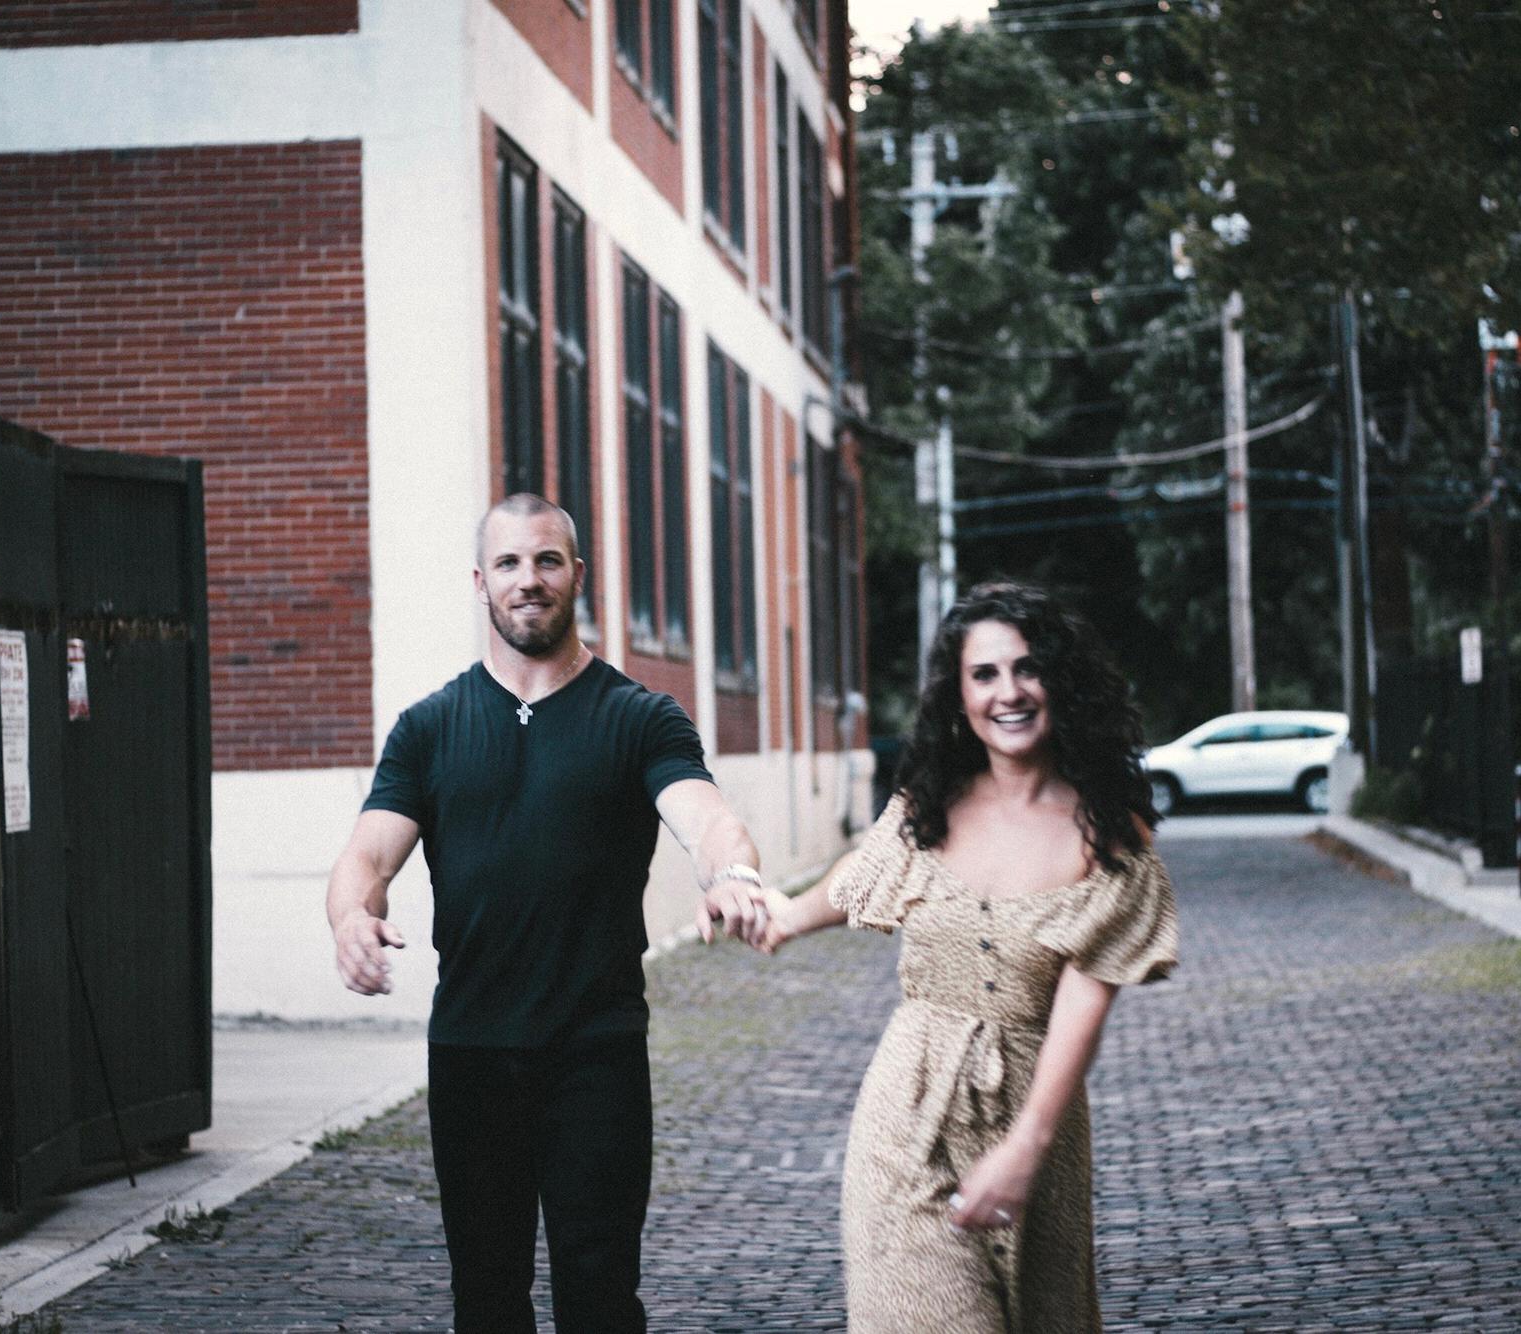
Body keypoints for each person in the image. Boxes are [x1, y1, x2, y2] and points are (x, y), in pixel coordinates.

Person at [325, 493, 771, 1334]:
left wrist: (735, 873)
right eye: (509, 563)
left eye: (546, 561)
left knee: (600, 1296)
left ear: (577, 574)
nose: (528, 580)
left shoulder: (640, 717)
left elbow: (707, 818)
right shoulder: (429, 728)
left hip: (595, 1051)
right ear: (481, 582)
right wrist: (351, 918)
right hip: (471, 1051)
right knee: (486, 1298)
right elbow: (367, 858)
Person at [756, 581, 1178, 1333]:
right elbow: (862, 875)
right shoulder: (931, 802)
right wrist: (781, 919)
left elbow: (1083, 1009)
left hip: (1038, 1122)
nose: (1007, 693)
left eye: (1027, 668)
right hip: (906, 1112)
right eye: (984, 674)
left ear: (1060, 680)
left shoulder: (1111, 832)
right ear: (959, 694)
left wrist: (1025, 1149)